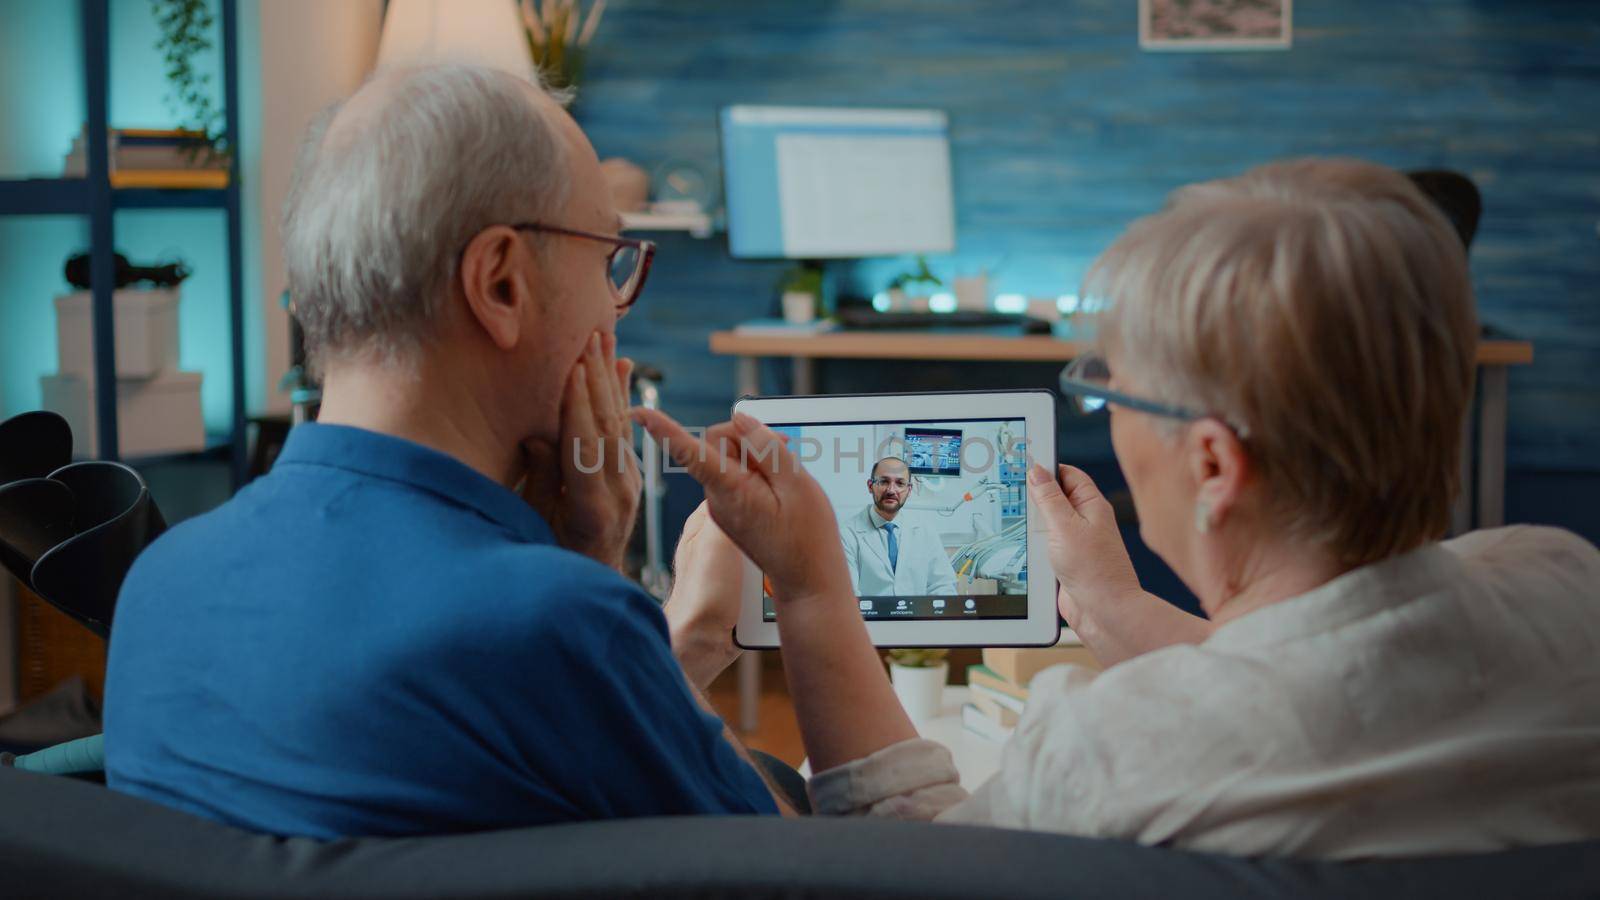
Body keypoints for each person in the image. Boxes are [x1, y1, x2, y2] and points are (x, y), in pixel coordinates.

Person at [635, 158, 1600, 858]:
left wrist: (805, 593)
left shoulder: (1122, 747)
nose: (1108, 415)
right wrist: (1106, 604)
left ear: (1214, 462)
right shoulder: (1565, 588)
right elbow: (1324, 667)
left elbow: (913, 861)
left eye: (1114, 393)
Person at [103, 63, 792, 838]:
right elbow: (793, 868)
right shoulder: (557, 622)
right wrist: (610, 580)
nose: (615, 308)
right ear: (500, 284)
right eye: (608, 261)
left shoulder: (159, 584)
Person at [841, 457, 958, 596]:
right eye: (884, 481)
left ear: (909, 490)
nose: (891, 490)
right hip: (868, 617)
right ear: (870, 486)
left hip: (919, 617)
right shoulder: (847, 533)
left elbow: (943, 585)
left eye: (900, 483)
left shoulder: (925, 531)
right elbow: (847, 594)